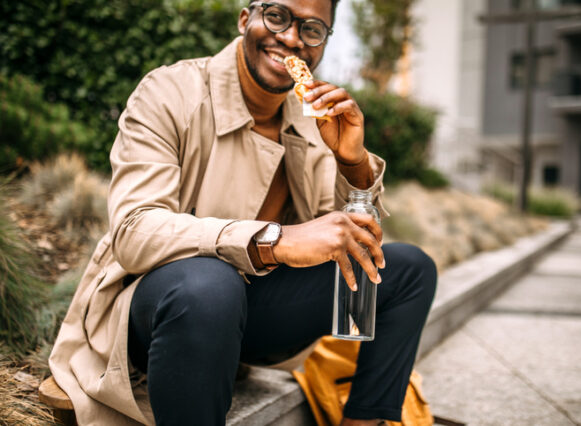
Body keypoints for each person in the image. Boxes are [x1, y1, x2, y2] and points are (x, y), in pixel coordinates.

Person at [49, 1, 438, 425]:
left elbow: (346, 235)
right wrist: (275, 242)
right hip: (158, 311)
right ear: (244, 19)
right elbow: (134, 231)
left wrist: (353, 162)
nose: (291, 38)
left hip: (253, 313)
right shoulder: (169, 91)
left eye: (312, 29)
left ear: (323, 43)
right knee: (210, 285)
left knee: (410, 269)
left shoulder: (313, 119)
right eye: (277, 17)